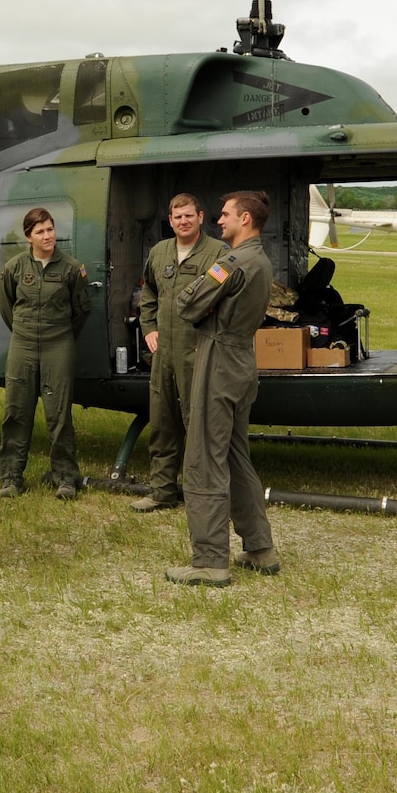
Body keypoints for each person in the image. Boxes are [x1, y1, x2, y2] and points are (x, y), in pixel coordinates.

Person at [167, 190, 278, 587]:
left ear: (245, 219)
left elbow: (187, 303)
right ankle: (260, 547)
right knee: (233, 454)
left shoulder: (233, 262)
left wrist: (204, 303)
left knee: (203, 458)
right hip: (243, 361)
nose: (219, 220)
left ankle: (211, 560)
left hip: (218, 360)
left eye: (226, 214)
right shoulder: (261, 260)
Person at [131, 193, 229, 512]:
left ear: (201, 217)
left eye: (188, 215)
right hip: (165, 353)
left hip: (198, 351)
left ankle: (202, 495)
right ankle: (162, 491)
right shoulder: (160, 252)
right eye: (177, 217)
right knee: (162, 421)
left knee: (198, 424)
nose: (183, 221)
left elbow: (229, 303)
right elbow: (148, 294)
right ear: (170, 220)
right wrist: (149, 329)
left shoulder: (218, 253)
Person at [0, 206, 91, 500]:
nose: (48, 235)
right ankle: (11, 477)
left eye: (50, 229)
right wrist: (26, 332)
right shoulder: (14, 268)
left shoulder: (72, 269)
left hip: (58, 344)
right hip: (22, 345)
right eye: (40, 231)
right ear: (29, 237)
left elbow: (81, 311)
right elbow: (7, 307)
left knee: (59, 414)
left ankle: (65, 477)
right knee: (16, 411)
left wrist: (58, 336)